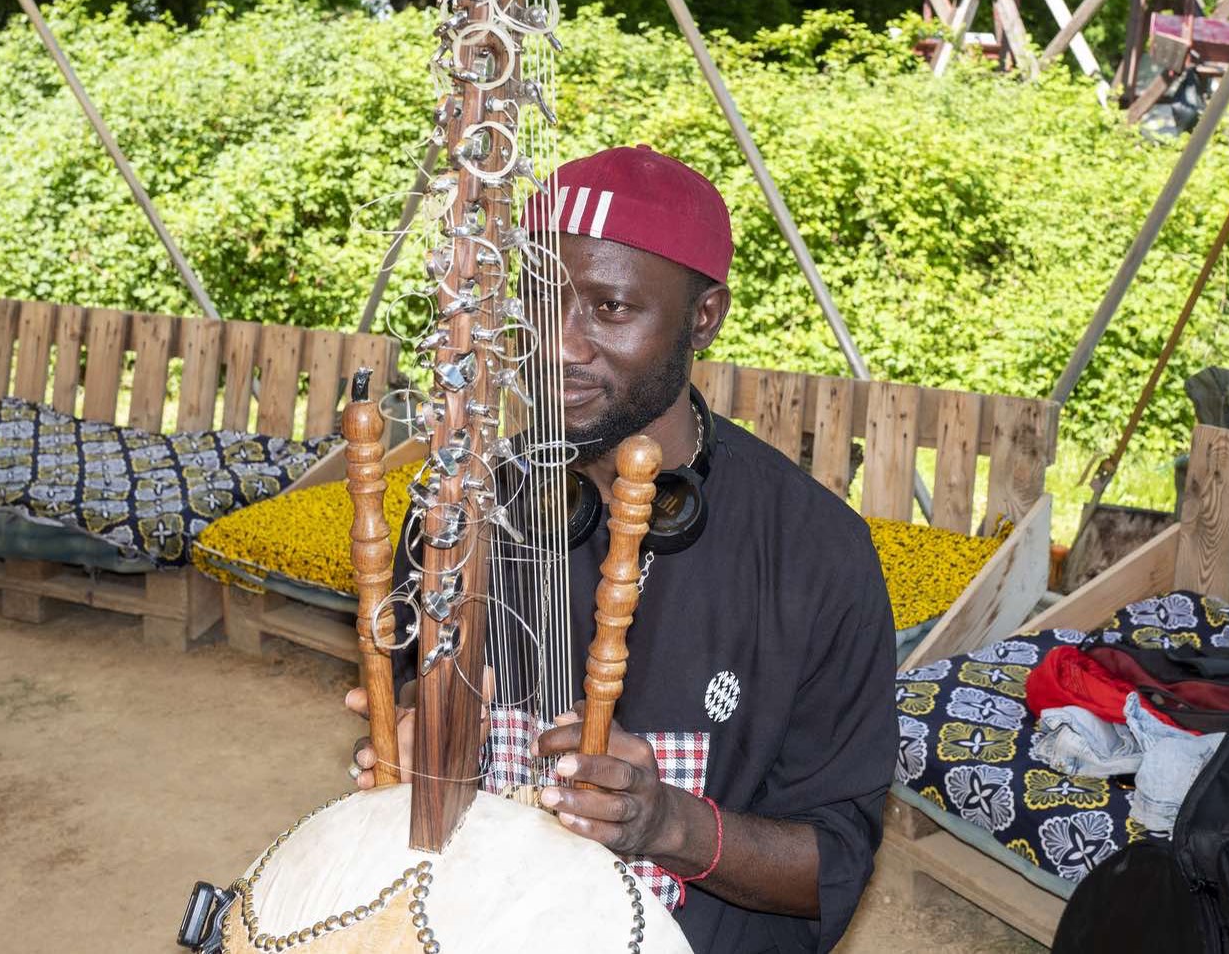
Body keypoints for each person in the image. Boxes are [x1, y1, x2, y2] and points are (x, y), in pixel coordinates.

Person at [345, 144, 897, 953]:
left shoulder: (818, 556)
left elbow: (834, 862)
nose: (558, 346)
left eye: (609, 308)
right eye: (540, 301)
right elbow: (415, 741)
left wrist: (668, 822)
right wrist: (420, 764)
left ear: (704, 316)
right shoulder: (457, 512)